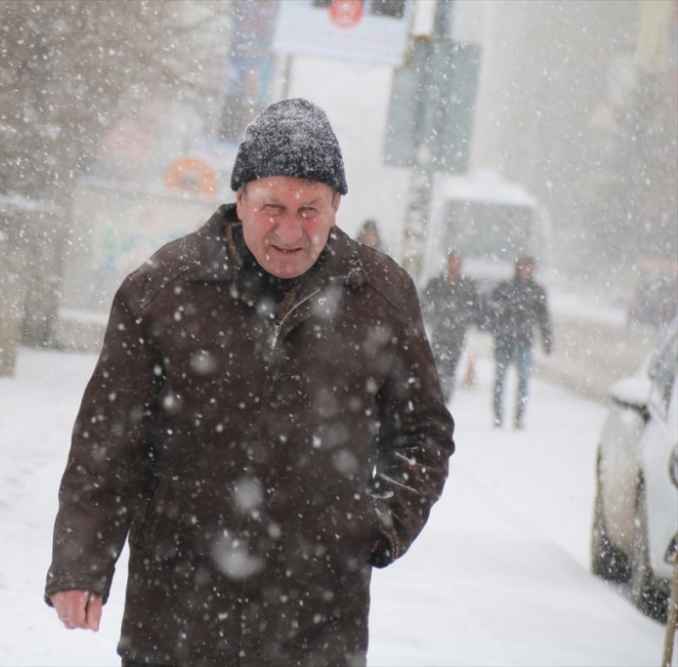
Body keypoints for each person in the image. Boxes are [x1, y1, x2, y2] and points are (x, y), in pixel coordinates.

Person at [45, 98, 455, 667]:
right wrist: (81, 564)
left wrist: (379, 525)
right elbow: (108, 441)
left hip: (316, 618)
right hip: (177, 611)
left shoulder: (380, 297)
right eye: (272, 206)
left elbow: (424, 432)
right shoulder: (163, 290)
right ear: (240, 199)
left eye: (310, 208)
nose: (290, 229)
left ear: (337, 205)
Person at [487, 256, 553, 429]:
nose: (527, 270)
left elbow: (543, 317)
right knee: (500, 379)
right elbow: (491, 309)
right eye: (524, 266)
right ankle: (498, 414)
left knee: (523, 380)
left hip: (524, 342)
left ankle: (519, 415)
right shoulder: (506, 288)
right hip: (504, 341)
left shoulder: (536, 291)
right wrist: (496, 324)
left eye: (530, 267)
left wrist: (547, 339)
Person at [421, 250, 480, 402]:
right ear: (448, 262)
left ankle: (445, 399)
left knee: (450, 368)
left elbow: (474, 309)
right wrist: (434, 316)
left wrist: (463, 319)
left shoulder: (467, 286)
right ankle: (436, 397)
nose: (455, 265)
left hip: (457, 335)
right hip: (439, 332)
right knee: (436, 366)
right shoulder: (436, 282)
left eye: (458, 262)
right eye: (453, 261)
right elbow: (424, 303)